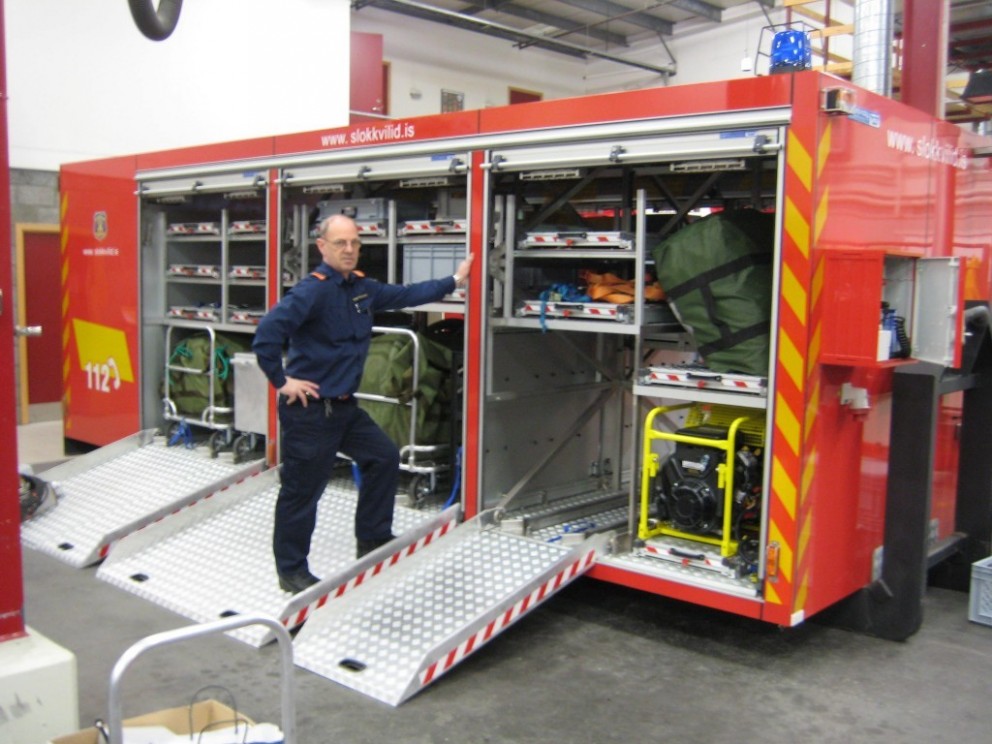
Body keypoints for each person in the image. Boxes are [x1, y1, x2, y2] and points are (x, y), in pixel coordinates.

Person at [252, 214, 473, 593]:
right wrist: (282, 381)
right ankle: (291, 571)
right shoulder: (311, 292)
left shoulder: (361, 289)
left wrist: (455, 280)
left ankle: (372, 537)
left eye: (354, 242)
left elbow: (407, 294)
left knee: (383, 457)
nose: (349, 249)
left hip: (344, 409)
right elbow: (267, 334)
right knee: (302, 493)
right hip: (310, 413)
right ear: (322, 246)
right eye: (341, 243)